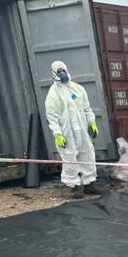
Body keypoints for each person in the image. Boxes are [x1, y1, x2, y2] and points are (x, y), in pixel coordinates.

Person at [45, 61, 101, 199]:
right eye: (59, 71)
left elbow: (87, 109)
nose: (62, 73)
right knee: (70, 158)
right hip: (66, 132)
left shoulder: (77, 89)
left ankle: (90, 184)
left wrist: (92, 123)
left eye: (63, 70)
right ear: (54, 73)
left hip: (81, 130)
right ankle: (74, 186)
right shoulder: (53, 95)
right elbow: (52, 117)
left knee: (87, 154)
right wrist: (58, 134)